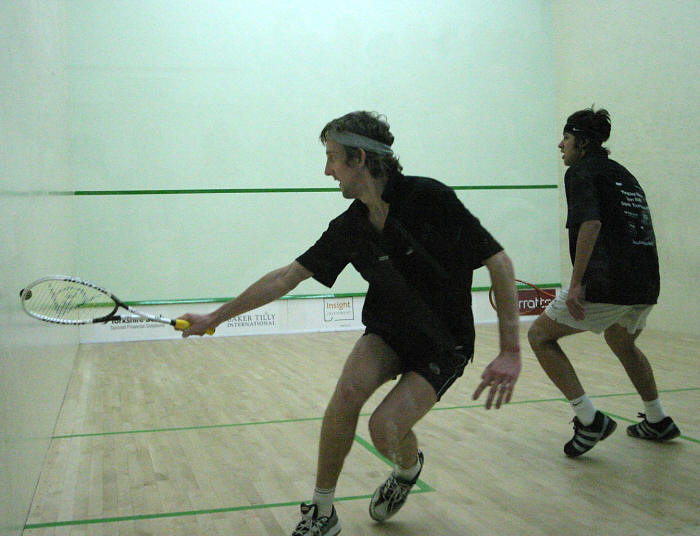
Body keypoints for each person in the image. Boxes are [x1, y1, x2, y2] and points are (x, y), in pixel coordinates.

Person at [179, 111, 522, 536]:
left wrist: (510, 351)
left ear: (359, 159)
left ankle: (407, 469)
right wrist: (214, 318)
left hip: (443, 341)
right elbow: (287, 277)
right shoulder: (351, 226)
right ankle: (322, 512)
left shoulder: (430, 198)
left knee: (384, 429)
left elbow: (499, 263)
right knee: (346, 394)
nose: (327, 171)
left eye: (332, 158)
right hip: (388, 332)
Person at [528, 107, 681, 458]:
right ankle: (657, 419)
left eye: (566, 138)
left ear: (581, 142)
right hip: (646, 283)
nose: (560, 145)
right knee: (621, 340)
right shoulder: (623, 174)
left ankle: (589, 419)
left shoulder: (580, 172)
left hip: (609, 282)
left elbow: (591, 224)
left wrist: (576, 283)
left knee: (539, 336)